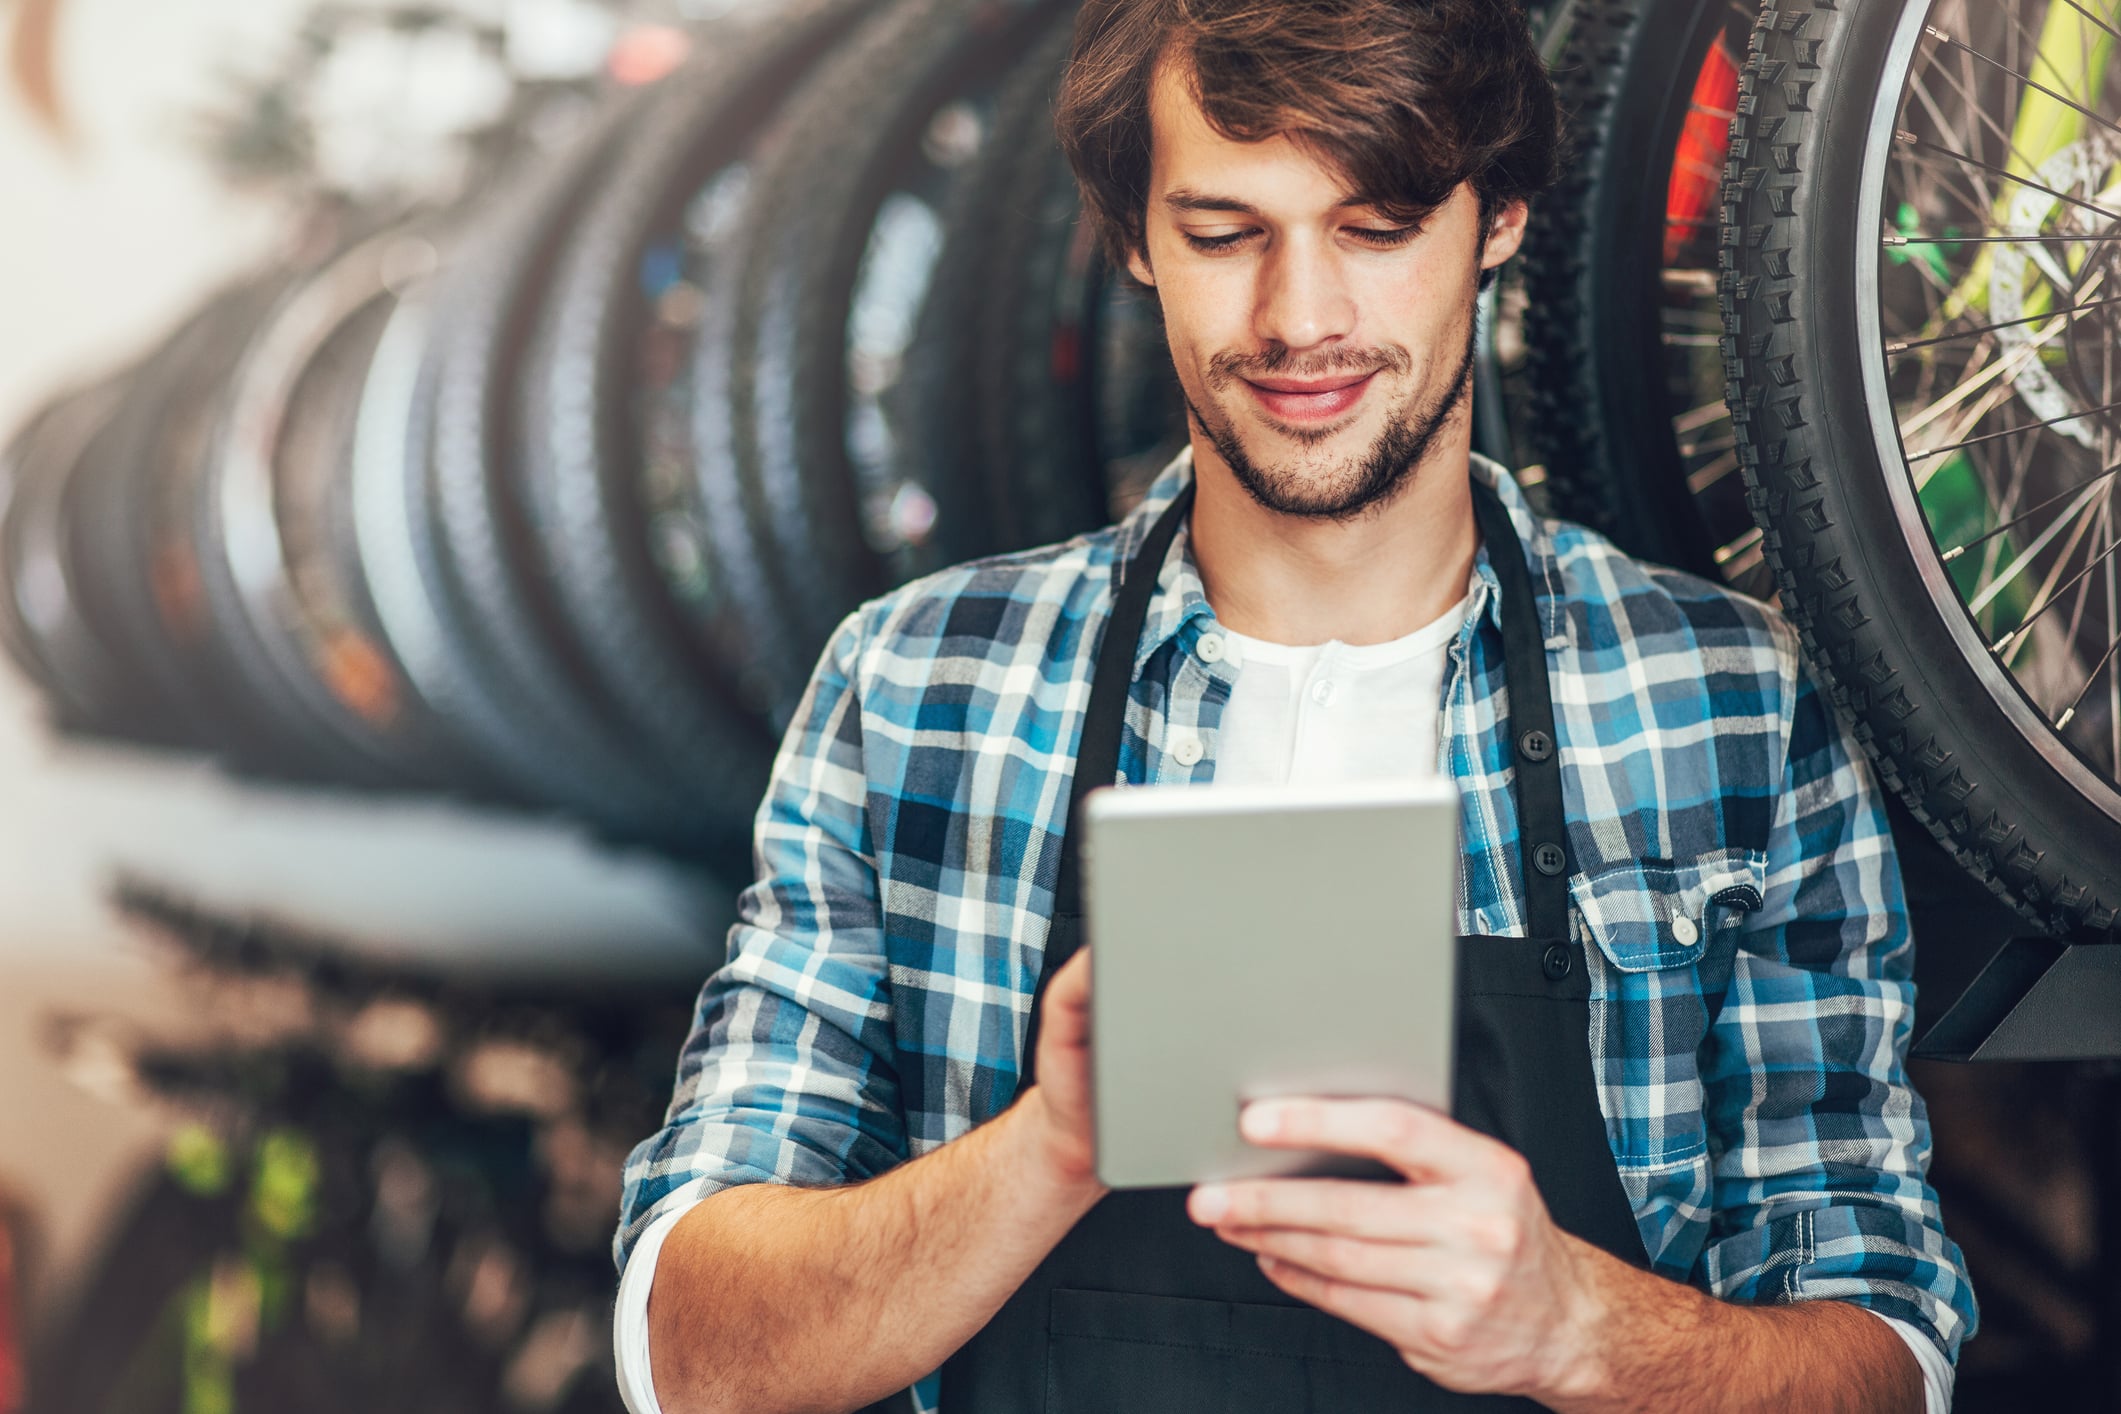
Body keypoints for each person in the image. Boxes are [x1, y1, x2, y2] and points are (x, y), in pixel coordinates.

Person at [612, 0, 1977, 1409]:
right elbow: (693, 1362)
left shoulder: (1729, 710)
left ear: (1497, 215)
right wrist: (1051, 1142)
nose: (1299, 319)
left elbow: (1883, 1360)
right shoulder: (913, 695)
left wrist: (1576, 1325)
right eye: (1223, 232)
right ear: (1132, 236)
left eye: (1376, 227)